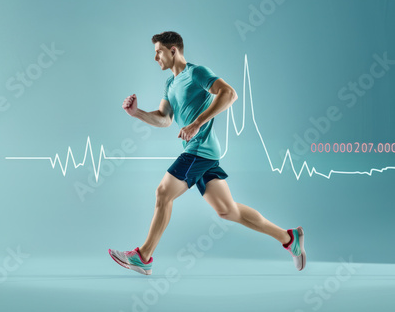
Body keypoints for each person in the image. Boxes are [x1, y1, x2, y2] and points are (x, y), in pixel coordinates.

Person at [108, 31, 305, 275]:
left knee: (163, 193)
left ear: (173, 50)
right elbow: (165, 119)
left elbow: (229, 93)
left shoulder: (196, 72)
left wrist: (197, 123)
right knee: (227, 210)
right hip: (205, 153)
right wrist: (137, 113)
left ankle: (144, 256)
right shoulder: (169, 83)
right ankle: (289, 238)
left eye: (158, 51)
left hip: (199, 149)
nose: (155, 57)